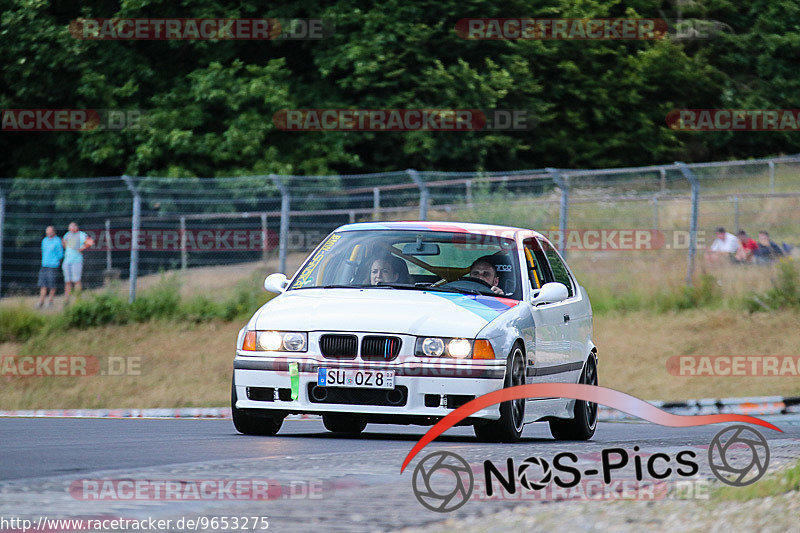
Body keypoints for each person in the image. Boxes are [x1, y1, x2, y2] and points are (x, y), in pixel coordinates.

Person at [61, 222, 94, 303]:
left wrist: (82, 248)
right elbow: (63, 241)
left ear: (76, 227)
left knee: (77, 281)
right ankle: (66, 300)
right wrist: (66, 247)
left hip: (76, 261)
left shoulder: (81, 235)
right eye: (69, 227)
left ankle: (78, 300)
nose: (70, 229)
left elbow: (90, 242)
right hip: (67, 260)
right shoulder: (68, 234)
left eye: (72, 227)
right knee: (67, 281)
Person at [36, 225, 63, 308]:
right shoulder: (44, 240)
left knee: (52, 285)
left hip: (53, 266)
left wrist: (56, 261)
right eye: (47, 231)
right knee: (43, 285)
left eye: (49, 231)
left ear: (53, 231)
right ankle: (41, 302)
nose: (47, 232)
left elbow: (60, 254)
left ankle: (50, 302)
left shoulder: (58, 241)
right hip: (44, 265)